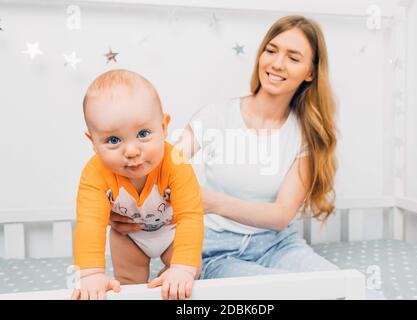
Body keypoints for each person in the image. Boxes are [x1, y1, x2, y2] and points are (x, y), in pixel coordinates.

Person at [110, 16, 384, 299]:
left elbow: (280, 216)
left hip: (279, 245)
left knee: (357, 293)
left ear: (310, 73)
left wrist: (213, 203)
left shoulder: (307, 135)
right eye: (271, 50)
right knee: (285, 295)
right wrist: (125, 207)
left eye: (293, 57)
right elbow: (161, 168)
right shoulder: (217, 115)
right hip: (216, 250)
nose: (277, 64)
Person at [71, 69, 204, 300]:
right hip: (129, 236)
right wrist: (91, 273)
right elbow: (90, 223)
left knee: (188, 274)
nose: (132, 151)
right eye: (113, 140)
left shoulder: (176, 164)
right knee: (129, 285)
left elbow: (190, 216)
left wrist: (181, 268)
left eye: (143, 133)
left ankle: (167, 278)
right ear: (93, 142)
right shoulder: (94, 174)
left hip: (171, 232)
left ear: (163, 127)